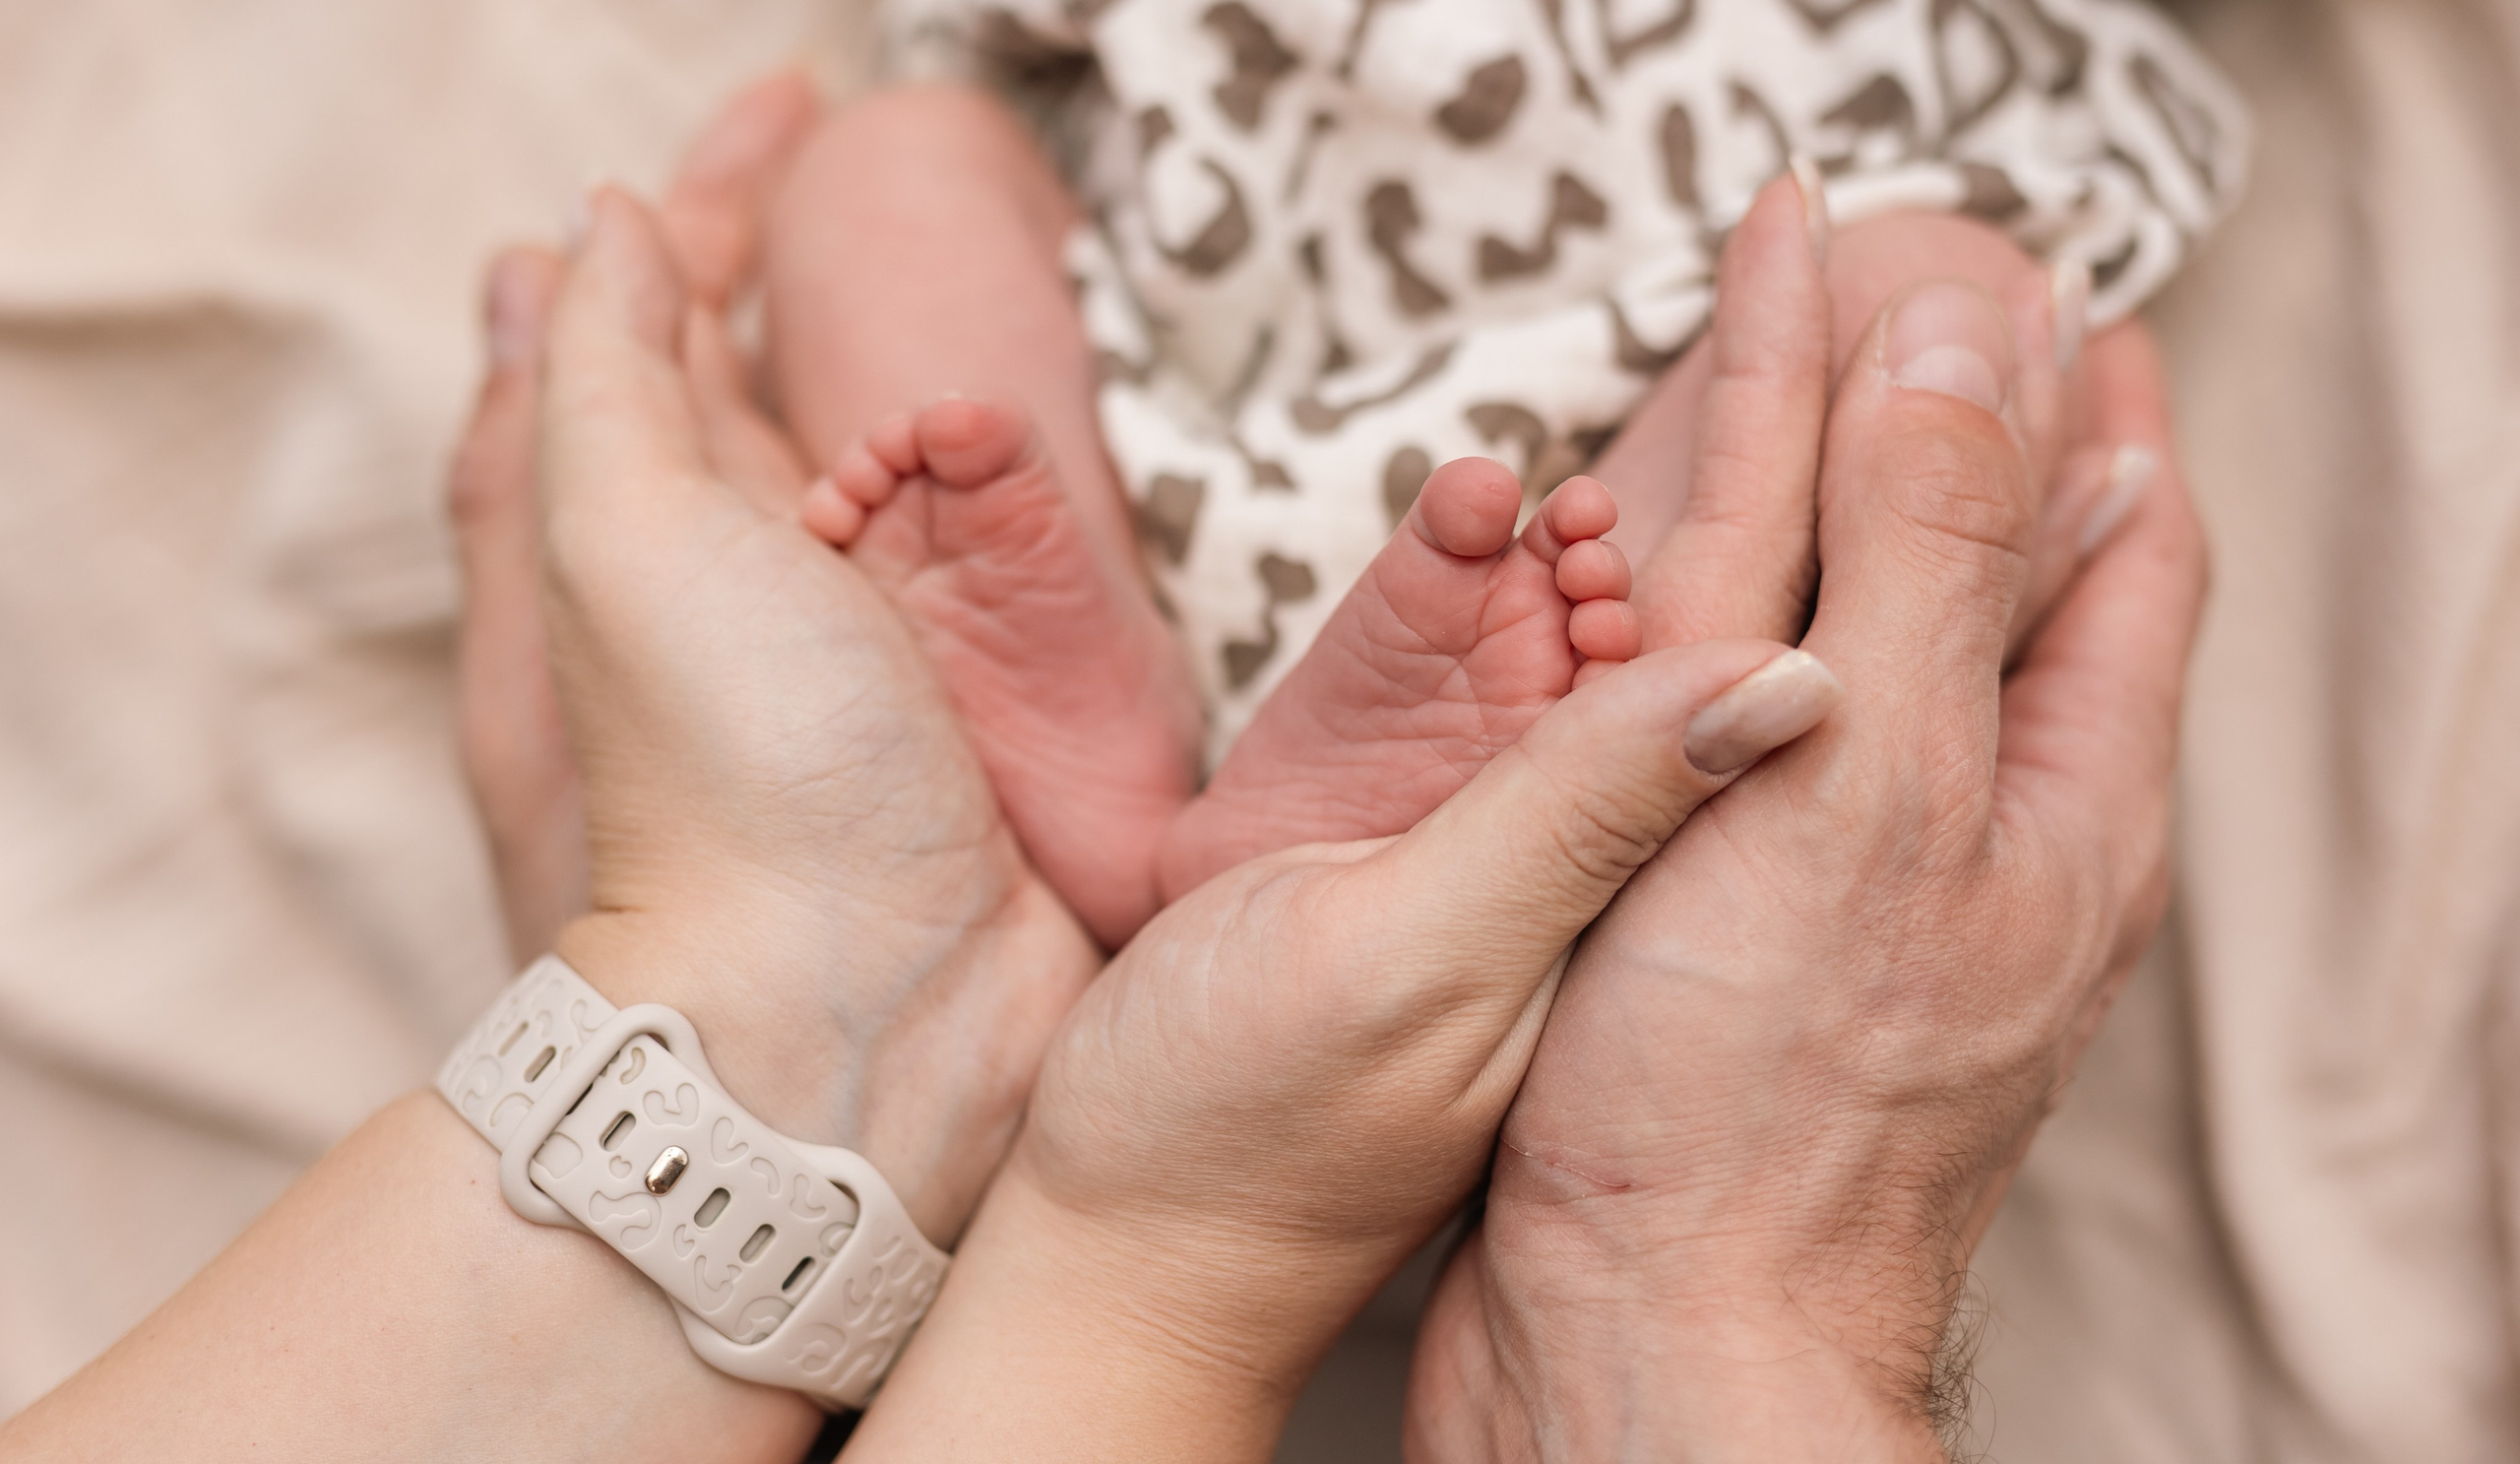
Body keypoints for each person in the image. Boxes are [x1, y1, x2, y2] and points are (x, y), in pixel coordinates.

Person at [0, 63, 2203, 1459]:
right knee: (892, 173)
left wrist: (784, 978)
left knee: (1909, 295)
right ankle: (1208, 784)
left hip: (1690, 293)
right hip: (1243, 381)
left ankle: (1220, 802)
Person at [732, 0, 2243, 950]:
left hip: (1667, 396)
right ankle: (1102, 685)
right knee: (894, 166)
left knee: (1922, 297)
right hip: (1159, 374)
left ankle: (1560, 700)